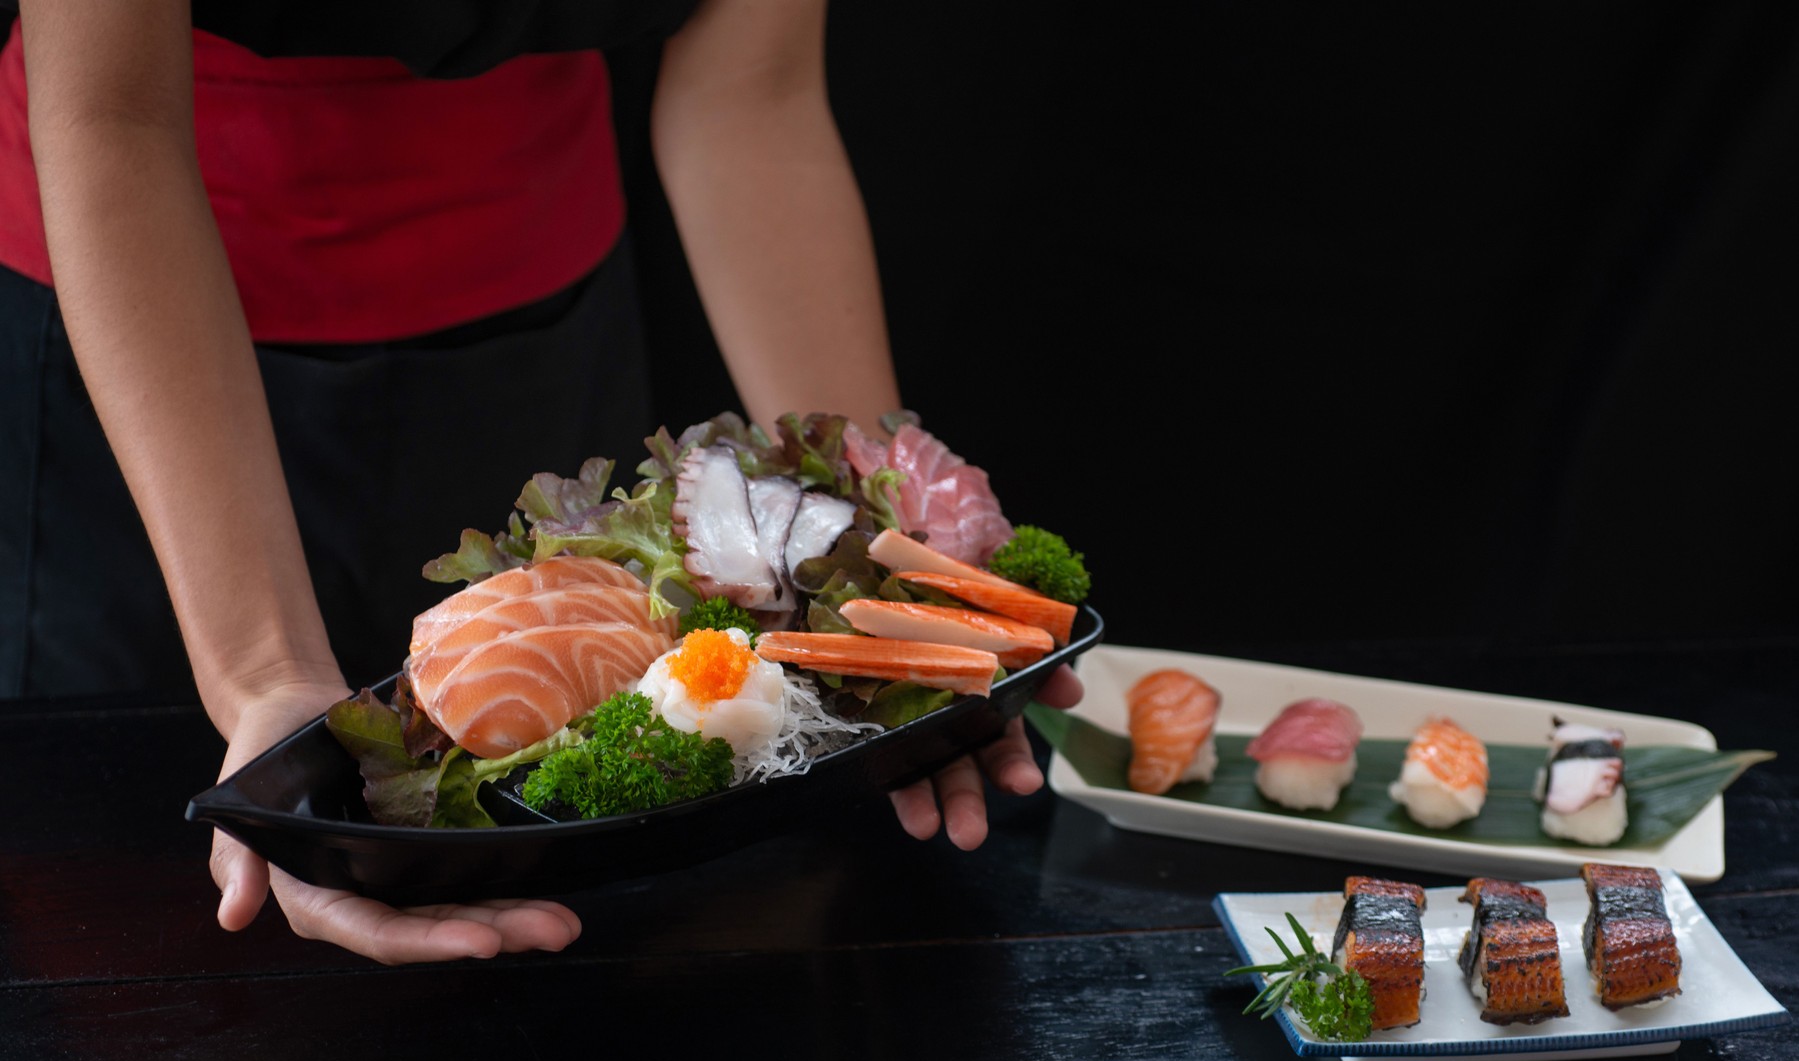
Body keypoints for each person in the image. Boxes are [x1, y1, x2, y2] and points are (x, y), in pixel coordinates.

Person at [0, 0, 1082, 965]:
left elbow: (750, 96)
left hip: (536, 325)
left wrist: (876, 562)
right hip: (149, 365)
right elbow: (112, 119)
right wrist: (260, 669)